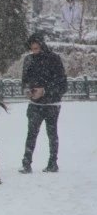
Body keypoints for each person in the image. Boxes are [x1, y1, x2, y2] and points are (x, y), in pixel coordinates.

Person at [19, 32, 68, 173]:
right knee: (31, 134)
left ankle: (53, 163)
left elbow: (62, 84)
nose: (34, 52)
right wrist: (27, 90)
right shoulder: (28, 60)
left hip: (52, 105)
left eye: (36, 49)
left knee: (52, 134)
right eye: (32, 49)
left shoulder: (54, 59)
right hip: (35, 104)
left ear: (42, 46)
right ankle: (26, 163)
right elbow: (24, 80)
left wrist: (45, 91)